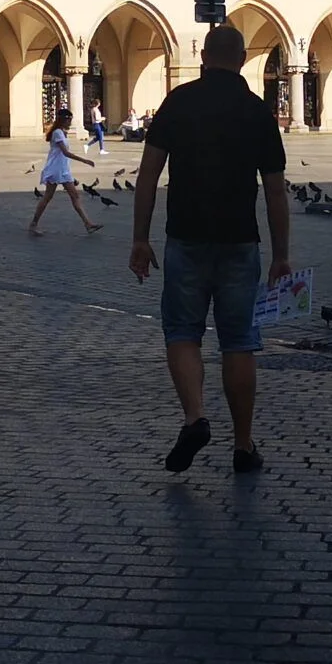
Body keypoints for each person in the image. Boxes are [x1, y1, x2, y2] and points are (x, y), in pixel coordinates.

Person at [129, 25, 289, 476]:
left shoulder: (178, 102)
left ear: (203, 57)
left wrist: (141, 238)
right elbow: (275, 192)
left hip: (186, 236)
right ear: (241, 59)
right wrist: (281, 254)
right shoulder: (257, 111)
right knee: (239, 341)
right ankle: (243, 446)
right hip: (241, 240)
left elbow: (147, 176)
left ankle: (195, 417)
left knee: (182, 332)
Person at [30, 108, 99, 233]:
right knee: (47, 197)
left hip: (63, 170)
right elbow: (65, 153)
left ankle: (88, 224)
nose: (70, 122)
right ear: (64, 119)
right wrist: (85, 161)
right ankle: (34, 223)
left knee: (75, 196)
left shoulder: (61, 132)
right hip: (55, 170)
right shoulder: (57, 133)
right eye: (69, 120)